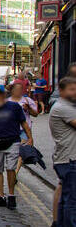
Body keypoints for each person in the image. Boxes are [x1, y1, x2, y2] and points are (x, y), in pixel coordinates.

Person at [49, 77, 76, 226]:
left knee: (66, 200)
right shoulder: (63, 108)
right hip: (69, 160)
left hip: (66, 158)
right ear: (61, 91)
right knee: (72, 203)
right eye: (71, 89)